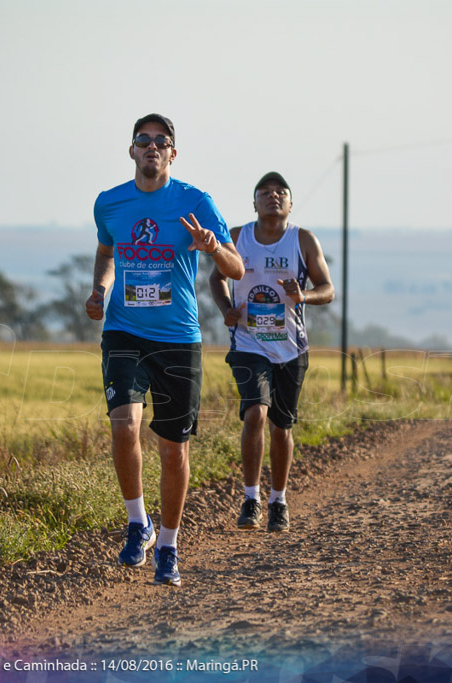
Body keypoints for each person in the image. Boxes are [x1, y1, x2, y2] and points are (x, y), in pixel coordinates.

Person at [85, 114, 244, 586]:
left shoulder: (195, 202)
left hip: (177, 339)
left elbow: (235, 269)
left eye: (162, 141)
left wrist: (213, 247)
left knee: (173, 452)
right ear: (131, 151)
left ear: (173, 153)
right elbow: (106, 251)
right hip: (124, 332)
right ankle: (139, 523)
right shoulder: (110, 203)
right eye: (143, 140)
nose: (152, 147)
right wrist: (99, 290)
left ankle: (169, 547)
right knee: (123, 425)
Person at [209, 171, 334, 533]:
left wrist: (303, 296)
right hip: (248, 344)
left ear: (291, 203)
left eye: (281, 192)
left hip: (291, 348)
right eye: (265, 192)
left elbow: (327, 289)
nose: (273, 196)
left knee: (281, 427)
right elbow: (217, 277)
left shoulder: (303, 240)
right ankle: (251, 498)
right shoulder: (237, 237)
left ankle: (278, 500)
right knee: (255, 415)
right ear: (254, 203)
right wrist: (225, 309)